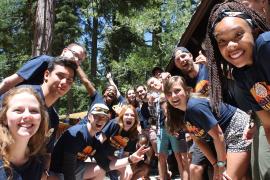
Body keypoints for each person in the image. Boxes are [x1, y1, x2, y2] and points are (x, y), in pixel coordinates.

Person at [164, 76, 252, 180]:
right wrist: (215, 164)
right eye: (169, 93)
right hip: (224, 138)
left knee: (226, 177)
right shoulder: (179, 113)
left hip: (239, 130)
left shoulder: (194, 107)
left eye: (177, 91)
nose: (173, 96)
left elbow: (218, 136)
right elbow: (198, 140)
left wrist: (220, 166)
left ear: (187, 91)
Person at [49, 103, 149, 180]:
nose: (100, 120)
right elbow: (68, 169)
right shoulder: (77, 134)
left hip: (75, 169)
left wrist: (130, 159)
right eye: (97, 116)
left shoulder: (95, 142)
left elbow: (105, 165)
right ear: (89, 117)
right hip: (56, 172)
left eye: (104, 117)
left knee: (101, 169)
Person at [0, 43, 86, 95]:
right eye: (75, 55)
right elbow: (9, 82)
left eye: (80, 60)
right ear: (65, 50)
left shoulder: (67, 76)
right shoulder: (45, 61)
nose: (77, 60)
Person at [0, 87, 48, 180]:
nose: (27, 115)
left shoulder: (38, 162)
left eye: (34, 111)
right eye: (18, 110)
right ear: (4, 118)